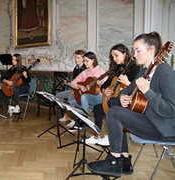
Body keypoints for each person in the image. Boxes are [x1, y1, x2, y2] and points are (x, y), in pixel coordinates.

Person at [88, 32, 175, 177]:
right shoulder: (144, 72)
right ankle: (124, 161)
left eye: (138, 50)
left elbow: (171, 110)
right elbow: (122, 95)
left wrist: (148, 91)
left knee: (115, 113)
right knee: (115, 109)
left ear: (151, 50)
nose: (134, 55)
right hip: (149, 121)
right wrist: (122, 97)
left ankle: (114, 161)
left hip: (163, 128)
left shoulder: (164, 71)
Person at [86, 44, 140, 146]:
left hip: (129, 103)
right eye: (112, 57)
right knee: (98, 108)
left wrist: (128, 83)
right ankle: (96, 135)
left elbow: (139, 89)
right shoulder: (117, 68)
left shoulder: (135, 68)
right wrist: (104, 90)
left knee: (112, 106)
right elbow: (106, 84)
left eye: (116, 55)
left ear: (125, 54)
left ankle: (113, 137)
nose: (114, 59)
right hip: (115, 100)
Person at [64, 51, 108, 131]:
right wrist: (80, 86)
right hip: (89, 96)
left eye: (87, 61)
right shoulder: (85, 72)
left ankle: (84, 122)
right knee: (71, 103)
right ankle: (77, 120)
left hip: (100, 97)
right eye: (84, 61)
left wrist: (101, 85)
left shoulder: (101, 71)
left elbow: (108, 87)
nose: (85, 63)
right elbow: (73, 83)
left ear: (93, 60)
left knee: (84, 97)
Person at [57, 50, 86, 121]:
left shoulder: (85, 69)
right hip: (74, 89)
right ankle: (67, 114)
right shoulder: (75, 68)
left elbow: (84, 84)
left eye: (78, 58)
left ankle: (73, 118)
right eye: (75, 57)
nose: (76, 59)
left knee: (70, 97)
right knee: (58, 95)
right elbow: (74, 82)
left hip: (82, 91)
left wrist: (75, 90)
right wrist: (67, 83)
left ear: (83, 58)